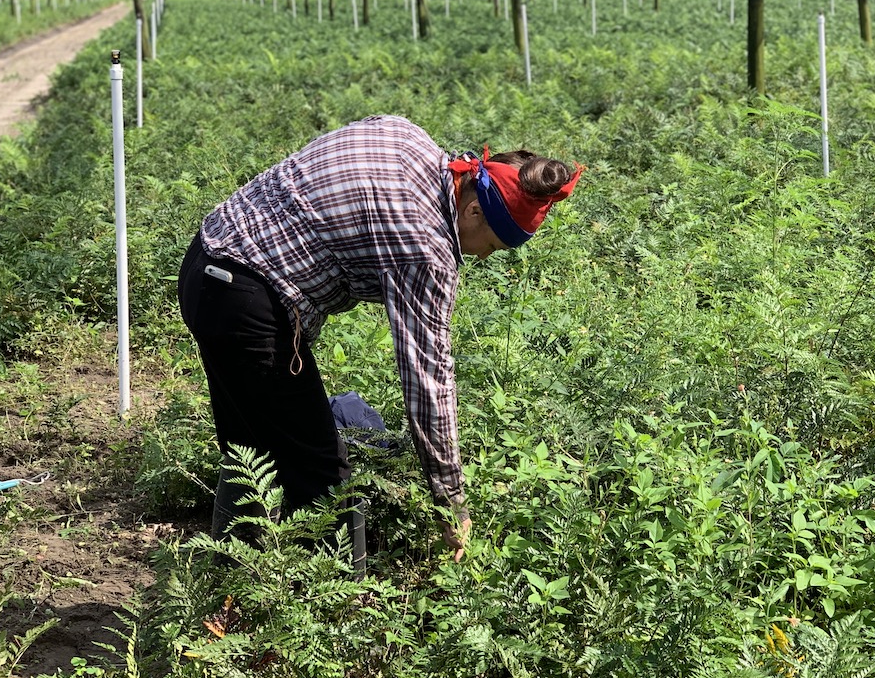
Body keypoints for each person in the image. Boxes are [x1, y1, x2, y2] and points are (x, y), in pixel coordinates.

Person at [177, 114, 582, 562]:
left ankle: (223, 583)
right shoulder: (426, 250)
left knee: (252, 446)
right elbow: (427, 381)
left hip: (207, 263)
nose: (482, 256)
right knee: (322, 473)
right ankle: (339, 611)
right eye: (490, 244)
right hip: (247, 305)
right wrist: (450, 499)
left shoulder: (406, 136)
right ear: (472, 211)